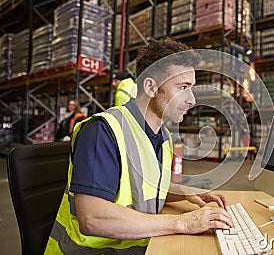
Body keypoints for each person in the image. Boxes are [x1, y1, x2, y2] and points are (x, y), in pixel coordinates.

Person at [45, 39, 233, 254]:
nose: (191, 99)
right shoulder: (103, 131)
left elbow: (143, 189)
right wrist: (182, 222)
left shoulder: (162, 136)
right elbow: (92, 218)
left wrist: (185, 193)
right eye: (183, 87)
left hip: (137, 245)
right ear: (151, 87)